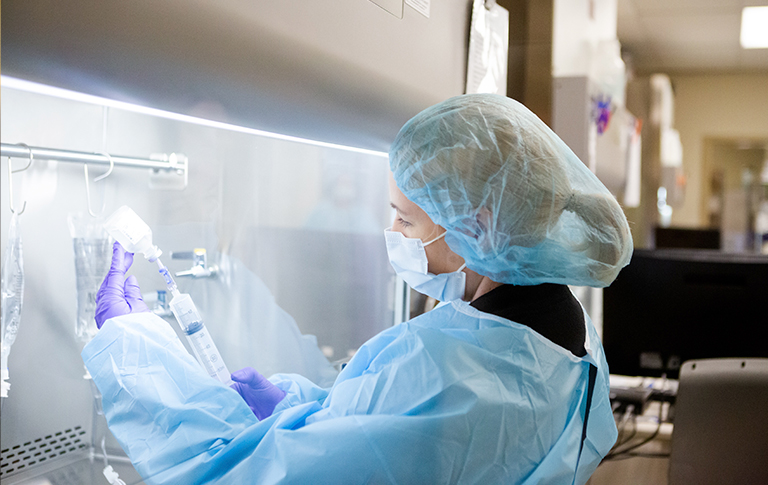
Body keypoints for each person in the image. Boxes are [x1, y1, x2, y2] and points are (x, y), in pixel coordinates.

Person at [85, 93, 631, 484]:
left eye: (406, 220)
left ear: (478, 227)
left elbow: (239, 475)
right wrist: (300, 408)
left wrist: (132, 348)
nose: (393, 235)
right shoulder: (569, 333)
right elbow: (388, 438)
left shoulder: (445, 368)